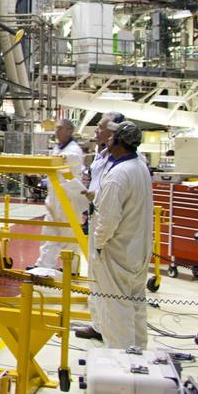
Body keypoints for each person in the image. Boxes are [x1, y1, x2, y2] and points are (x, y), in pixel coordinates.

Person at [86, 119, 154, 349]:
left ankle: (122, 366)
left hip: (117, 252)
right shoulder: (139, 166)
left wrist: (98, 246)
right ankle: (140, 355)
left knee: (115, 310)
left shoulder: (118, 176)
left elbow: (107, 220)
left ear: (117, 140)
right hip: (137, 250)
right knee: (135, 306)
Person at [75, 111, 124, 340]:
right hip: (97, 216)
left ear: (114, 132)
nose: (96, 131)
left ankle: (114, 331)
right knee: (95, 274)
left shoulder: (123, 161)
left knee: (110, 282)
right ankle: (98, 325)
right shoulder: (102, 154)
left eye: (101, 127)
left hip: (112, 226)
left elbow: (115, 195)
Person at [29, 118, 89, 277]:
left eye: (60, 128)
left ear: (69, 131)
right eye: (56, 128)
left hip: (67, 199)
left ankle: (72, 268)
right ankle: (43, 266)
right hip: (54, 198)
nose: (56, 131)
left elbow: (60, 163)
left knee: (68, 235)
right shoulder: (57, 148)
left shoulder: (74, 150)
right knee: (49, 231)